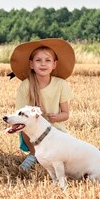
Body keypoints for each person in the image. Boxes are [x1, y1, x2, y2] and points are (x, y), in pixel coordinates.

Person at [9, 38, 76, 172]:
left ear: (54, 64)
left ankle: (48, 158)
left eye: (48, 60)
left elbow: (66, 114)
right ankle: (34, 155)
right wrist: (33, 115)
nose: (43, 64)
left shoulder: (60, 84)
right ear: (31, 64)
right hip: (33, 132)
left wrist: (56, 117)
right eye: (38, 60)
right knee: (26, 126)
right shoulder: (26, 85)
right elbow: (19, 114)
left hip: (56, 130)